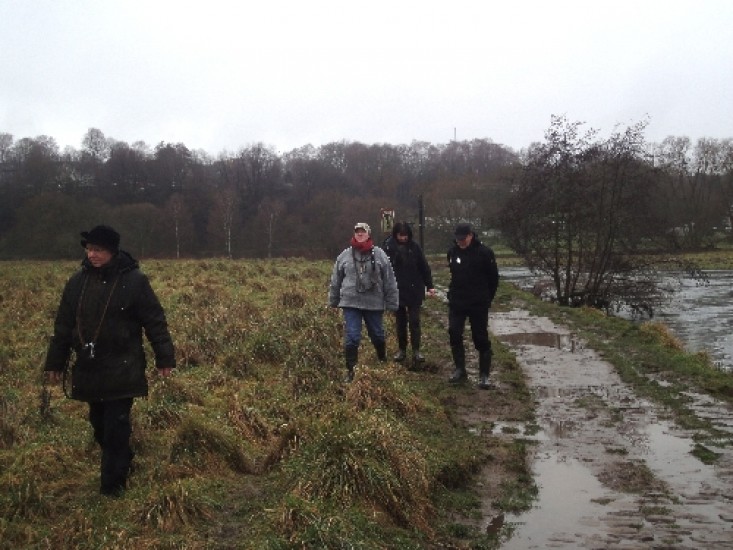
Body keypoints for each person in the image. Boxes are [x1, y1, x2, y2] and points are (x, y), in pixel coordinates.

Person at [44, 225, 175, 497]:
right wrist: (55, 362)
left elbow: (155, 321)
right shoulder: (76, 283)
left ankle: (112, 486)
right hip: (89, 367)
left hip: (123, 366)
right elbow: (63, 326)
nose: (92, 254)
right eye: (89, 249)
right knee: (99, 424)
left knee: (116, 425)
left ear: (112, 251)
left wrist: (164, 357)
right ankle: (123, 459)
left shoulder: (135, 281)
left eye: (98, 250)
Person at [329, 222, 399, 382]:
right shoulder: (344, 255)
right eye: (357, 232)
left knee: (377, 334)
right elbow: (335, 280)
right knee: (352, 336)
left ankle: (382, 359)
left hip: (374, 302)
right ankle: (351, 371)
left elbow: (389, 280)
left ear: (369, 234)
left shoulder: (380, 254)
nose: (360, 234)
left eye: (363, 232)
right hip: (350, 302)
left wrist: (392, 303)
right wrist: (333, 300)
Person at [446, 223, 499, 389]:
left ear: (470, 236)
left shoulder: (485, 253)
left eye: (463, 239)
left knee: (480, 337)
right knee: (454, 332)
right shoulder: (452, 252)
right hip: (457, 301)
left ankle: (484, 375)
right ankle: (460, 370)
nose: (460, 242)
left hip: (478, 302)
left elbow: (494, 279)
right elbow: (453, 275)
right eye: (458, 239)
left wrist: (486, 298)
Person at [383, 221, 436, 363]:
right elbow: (383, 270)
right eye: (400, 235)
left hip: (414, 288)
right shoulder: (388, 247)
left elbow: (424, 267)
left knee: (414, 321)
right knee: (400, 322)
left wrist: (429, 285)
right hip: (397, 289)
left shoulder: (415, 247)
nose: (403, 238)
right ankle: (402, 350)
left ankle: (416, 350)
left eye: (405, 235)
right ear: (396, 235)